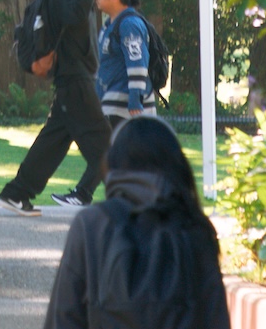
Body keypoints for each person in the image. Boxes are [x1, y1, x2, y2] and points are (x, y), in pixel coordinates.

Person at [44, 117, 229, 329]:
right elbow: (215, 318)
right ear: (176, 164)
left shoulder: (92, 225)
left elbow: (63, 318)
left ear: (112, 164)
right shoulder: (195, 227)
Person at [0, 0, 110, 217]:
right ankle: (135, 202)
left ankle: (16, 193)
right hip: (74, 79)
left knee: (53, 144)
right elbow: (74, 16)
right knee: (104, 143)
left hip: (75, 79)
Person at [93, 0, 156, 135]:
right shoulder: (109, 26)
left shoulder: (129, 25)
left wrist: (135, 100)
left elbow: (138, 63)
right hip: (111, 102)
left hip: (125, 105)